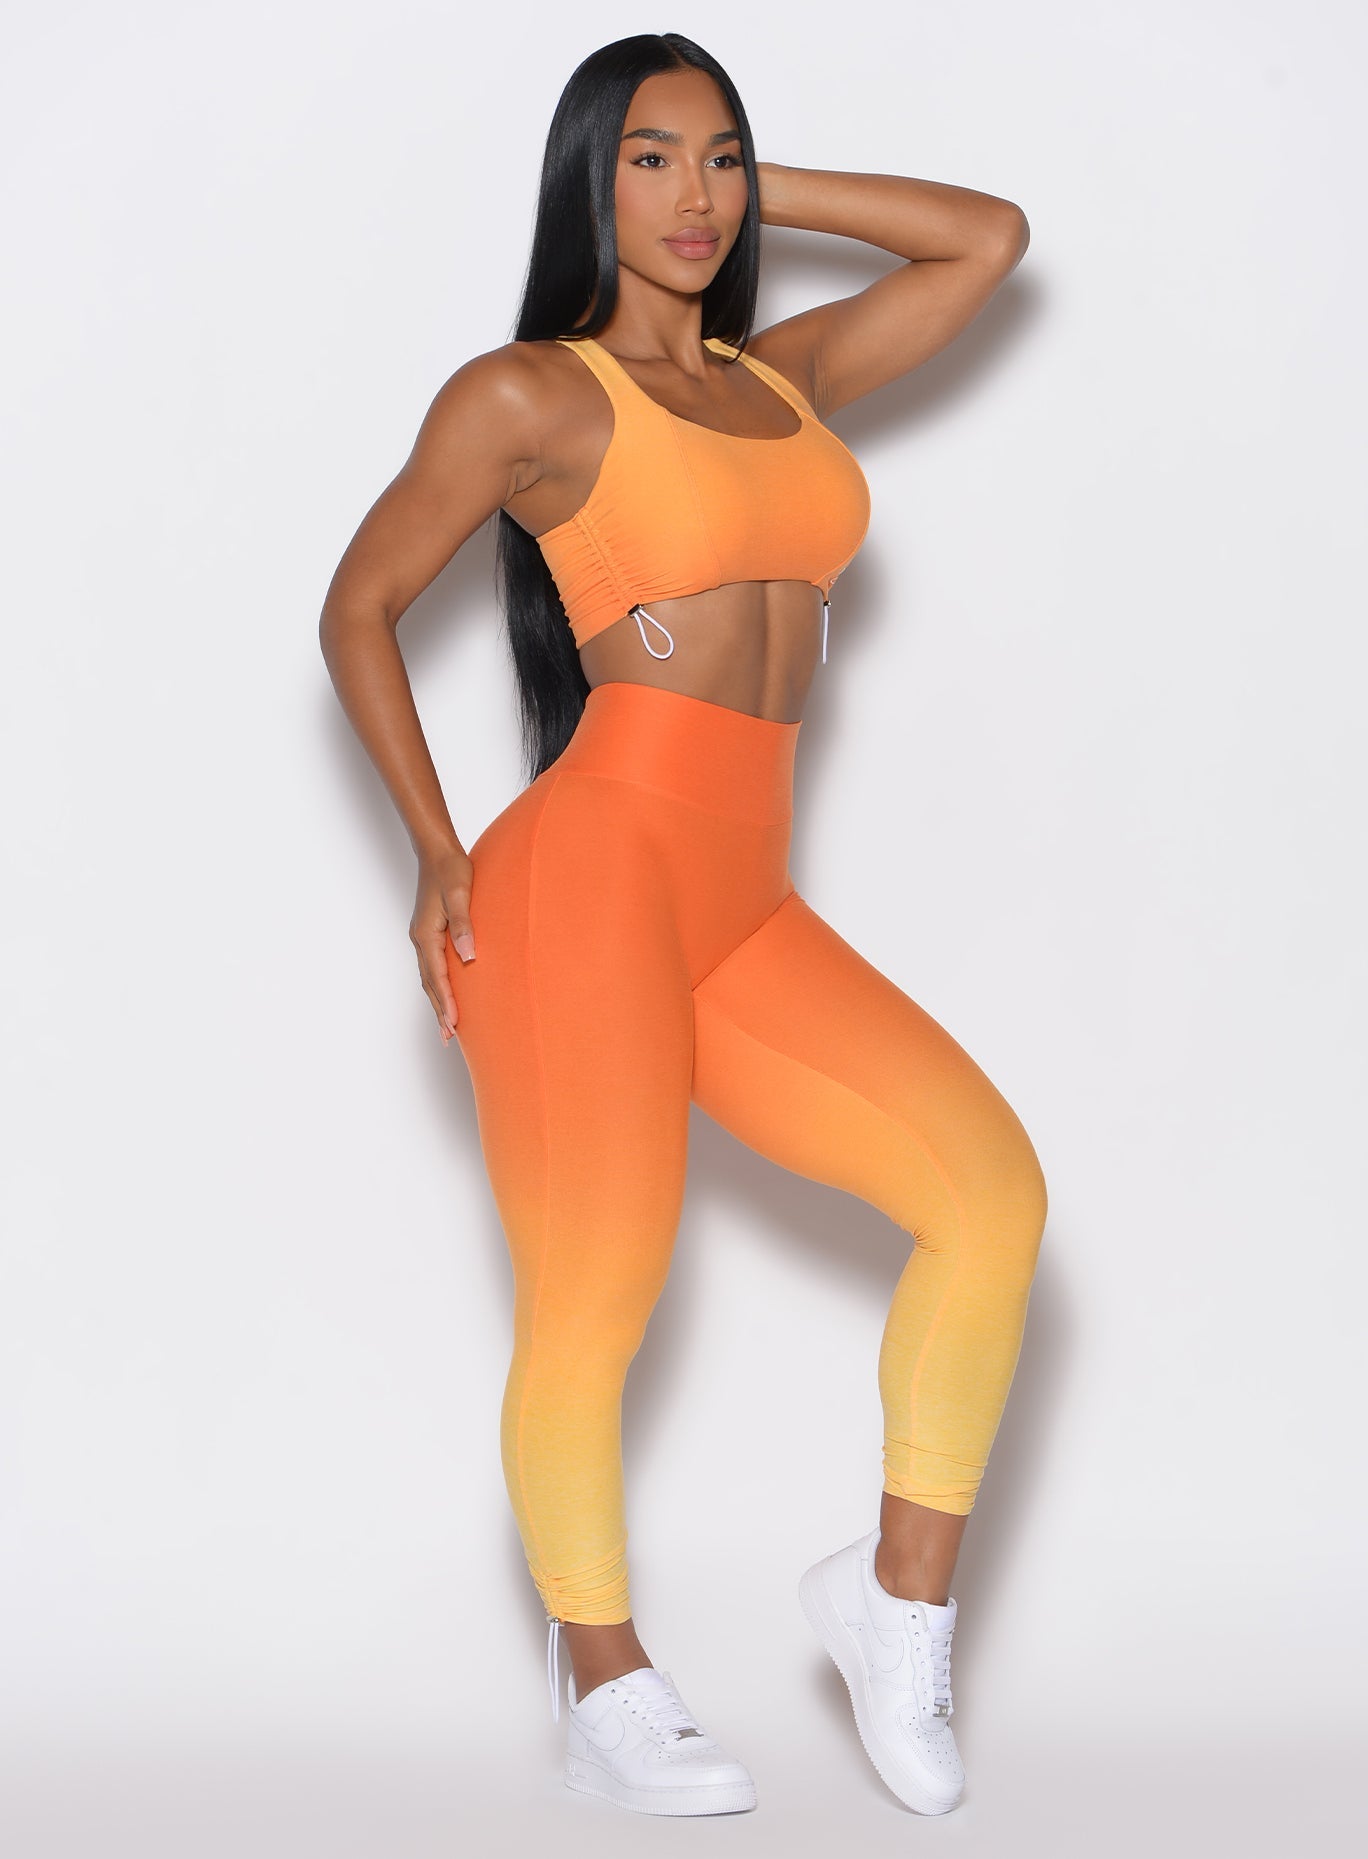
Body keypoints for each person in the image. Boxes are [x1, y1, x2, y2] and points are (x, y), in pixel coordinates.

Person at [319, 30, 1044, 1822]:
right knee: (597, 1292)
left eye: (718, 156)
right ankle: (602, 1679)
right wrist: (433, 848)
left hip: (741, 901)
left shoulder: (781, 377)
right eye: (649, 158)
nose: (695, 192)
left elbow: (987, 239)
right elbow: (359, 605)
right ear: (589, 177)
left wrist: (757, 191)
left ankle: (894, 1604)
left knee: (988, 1196)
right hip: (584, 883)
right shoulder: (530, 396)